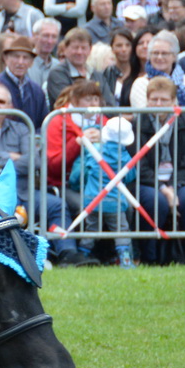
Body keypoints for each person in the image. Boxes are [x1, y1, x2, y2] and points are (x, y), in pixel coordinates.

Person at [127, 76, 185, 264]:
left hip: (178, 180)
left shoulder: (184, 123)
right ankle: (150, 258)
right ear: (147, 100)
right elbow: (139, 165)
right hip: (146, 182)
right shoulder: (138, 124)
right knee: (156, 202)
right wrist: (163, 188)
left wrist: (172, 186)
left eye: (164, 100)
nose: (158, 104)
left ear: (173, 101)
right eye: (154, 99)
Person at [69, 113, 137, 267]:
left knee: (91, 229)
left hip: (92, 200)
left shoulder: (95, 151)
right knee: (121, 230)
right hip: (114, 201)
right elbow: (130, 176)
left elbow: (84, 172)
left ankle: (83, 255)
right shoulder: (125, 157)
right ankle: (125, 259)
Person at [131, 31, 185, 109]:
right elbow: (143, 113)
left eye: (164, 53)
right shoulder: (141, 84)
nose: (159, 57)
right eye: (155, 53)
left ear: (174, 56)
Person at [0, 35, 48, 130]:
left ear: (31, 62)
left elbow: (43, 124)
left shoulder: (36, 90)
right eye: (16, 57)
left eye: (25, 58)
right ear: (5, 58)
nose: (20, 62)